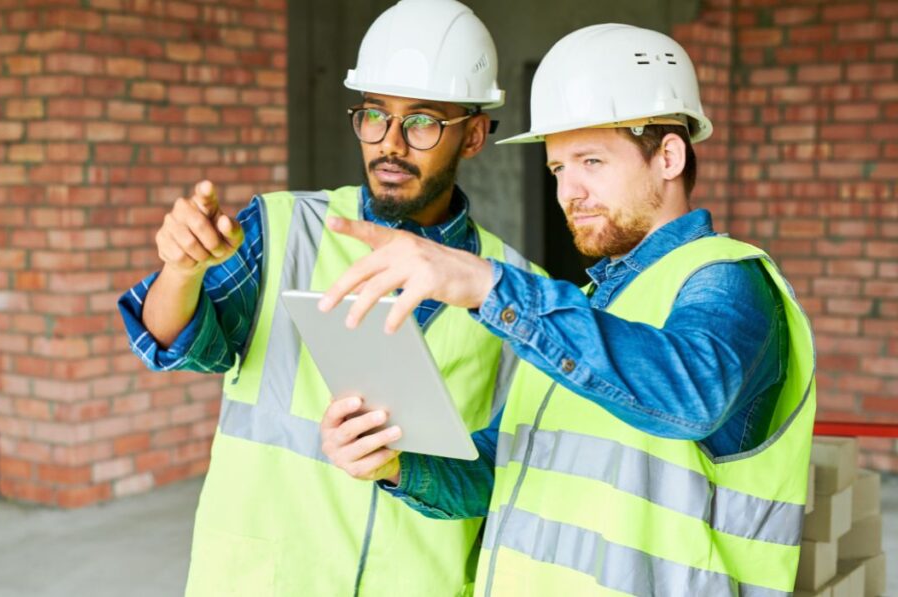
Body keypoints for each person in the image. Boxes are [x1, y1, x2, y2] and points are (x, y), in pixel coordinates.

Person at [320, 23, 815, 596]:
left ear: (669, 157)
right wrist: (396, 465)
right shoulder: (583, 310)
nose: (568, 192)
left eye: (592, 162)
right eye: (558, 169)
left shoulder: (728, 280)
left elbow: (691, 395)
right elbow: (496, 471)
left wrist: (485, 283)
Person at [118, 1, 538, 594]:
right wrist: (180, 270)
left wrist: (403, 471)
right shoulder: (285, 227)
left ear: (471, 136)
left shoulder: (514, 289)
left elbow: (500, 476)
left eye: (421, 122)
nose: (390, 144)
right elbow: (172, 345)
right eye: (374, 116)